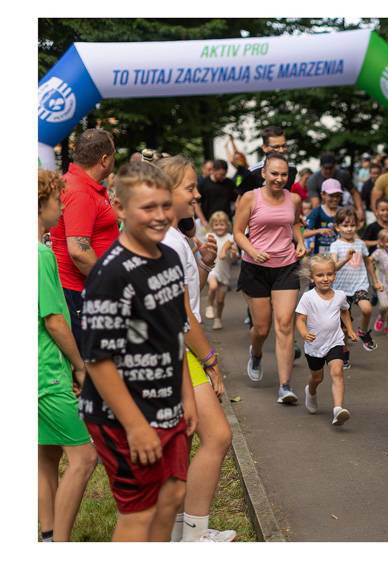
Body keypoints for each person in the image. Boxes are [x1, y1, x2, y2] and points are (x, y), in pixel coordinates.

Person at [78, 161, 198, 541]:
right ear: (120, 208)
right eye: (148, 208)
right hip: (123, 415)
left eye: (165, 205)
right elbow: (98, 360)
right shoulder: (110, 274)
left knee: (174, 494)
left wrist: (187, 397)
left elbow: (173, 333)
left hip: (167, 403)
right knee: (139, 513)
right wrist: (135, 426)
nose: (160, 216)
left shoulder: (170, 257)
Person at [154, 155, 235, 543]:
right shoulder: (168, 240)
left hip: (176, 349)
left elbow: (187, 291)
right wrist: (212, 360)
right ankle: (193, 535)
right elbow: (182, 313)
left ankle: (180, 531)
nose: (197, 192)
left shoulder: (174, 237)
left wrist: (203, 263)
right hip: (178, 352)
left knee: (182, 444)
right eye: (190, 187)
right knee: (217, 436)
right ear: (168, 192)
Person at [37, 169, 98, 542]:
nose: (61, 208)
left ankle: (47, 535)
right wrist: (79, 366)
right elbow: (55, 320)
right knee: (85, 458)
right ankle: (60, 545)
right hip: (49, 372)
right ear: (39, 205)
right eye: (57, 201)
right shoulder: (41, 254)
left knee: (46, 457)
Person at [233, 153, 307, 403]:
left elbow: (295, 224)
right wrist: (252, 250)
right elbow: (238, 232)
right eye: (274, 173)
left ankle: (285, 386)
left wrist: (301, 241)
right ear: (264, 173)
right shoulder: (249, 198)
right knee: (262, 328)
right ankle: (256, 354)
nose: (279, 179)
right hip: (255, 268)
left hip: (285, 266)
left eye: (283, 174)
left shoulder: (294, 198)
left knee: (285, 324)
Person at [50, 128, 118, 346]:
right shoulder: (79, 191)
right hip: (81, 293)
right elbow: (78, 251)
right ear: (104, 159)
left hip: (85, 291)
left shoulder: (83, 186)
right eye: (114, 155)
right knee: (95, 369)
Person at [295, 255, 358, 425]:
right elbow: (300, 319)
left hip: (335, 341)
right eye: (320, 275)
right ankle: (311, 391)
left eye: (329, 274)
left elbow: (345, 311)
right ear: (312, 277)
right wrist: (304, 333)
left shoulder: (340, 295)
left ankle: (338, 409)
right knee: (317, 377)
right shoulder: (308, 297)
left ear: (335, 275)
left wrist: (350, 330)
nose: (325, 278)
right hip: (314, 345)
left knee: (337, 372)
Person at [330, 206, 382, 360]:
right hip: (341, 290)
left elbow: (368, 263)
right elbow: (333, 267)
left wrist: (376, 281)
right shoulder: (336, 245)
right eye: (345, 225)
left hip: (359, 285)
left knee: (367, 310)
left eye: (352, 225)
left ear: (357, 225)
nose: (349, 229)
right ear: (337, 227)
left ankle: (363, 332)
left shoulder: (360, 244)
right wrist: (345, 258)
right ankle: (344, 352)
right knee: (345, 328)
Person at [203, 211, 238, 329]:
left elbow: (235, 257)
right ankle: (209, 306)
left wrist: (233, 253)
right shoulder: (209, 237)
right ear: (212, 225)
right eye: (216, 224)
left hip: (225, 272)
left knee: (221, 300)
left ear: (227, 225)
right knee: (212, 286)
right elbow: (204, 251)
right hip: (213, 269)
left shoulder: (231, 238)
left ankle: (218, 319)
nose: (219, 227)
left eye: (222, 224)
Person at [307, 152, 364, 223]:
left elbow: (354, 192)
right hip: (323, 209)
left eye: (330, 168)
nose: (328, 171)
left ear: (335, 166)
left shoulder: (343, 175)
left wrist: (359, 210)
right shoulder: (313, 179)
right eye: (325, 168)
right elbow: (315, 203)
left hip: (340, 209)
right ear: (320, 166)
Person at [242, 126, 296, 196]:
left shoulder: (292, 169)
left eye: (284, 146)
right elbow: (240, 202)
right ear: (264, 148)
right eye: (276, 147)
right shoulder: (252, 172)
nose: (281, 150)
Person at [197, 159, 237, 225]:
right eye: (221, 174)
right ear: (213, 171)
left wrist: (234, 214)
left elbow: (237, 200)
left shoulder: (229, 183)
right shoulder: (203, 184)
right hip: (208, 222)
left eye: (224, 174)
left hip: (226, 223)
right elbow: (197, 204)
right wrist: (202, 220)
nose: (223, 177)